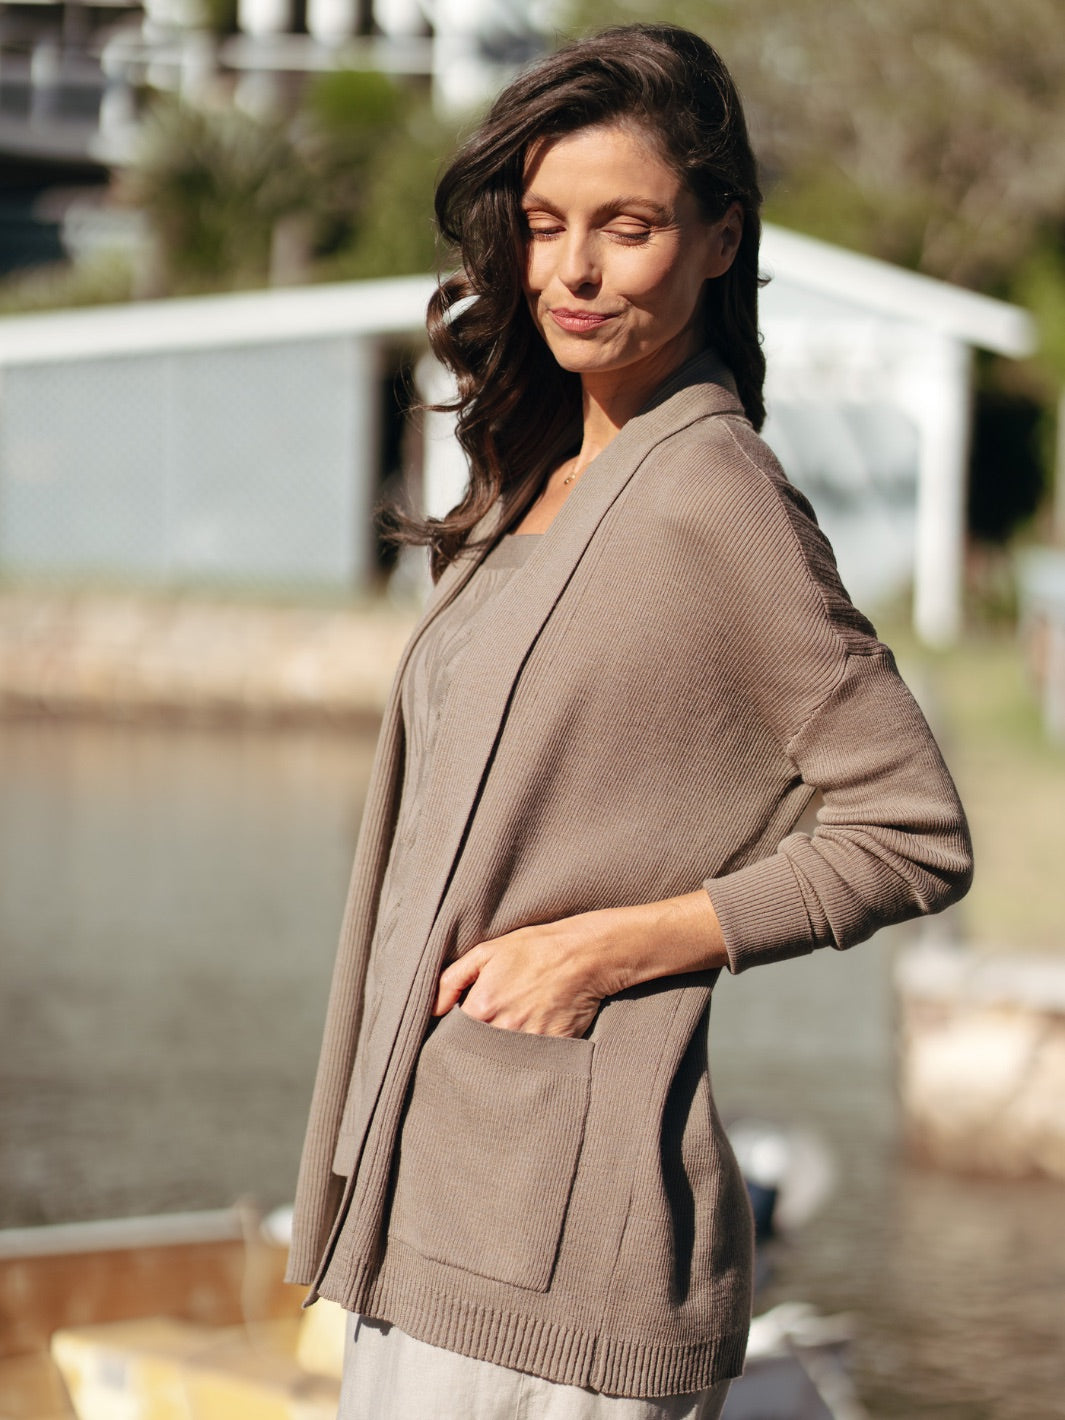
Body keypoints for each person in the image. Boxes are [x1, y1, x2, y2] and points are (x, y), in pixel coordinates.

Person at [286, 23, 973, 1420]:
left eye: (627, 226)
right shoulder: (531, 471)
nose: (575, 271)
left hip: (560, 1246)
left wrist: (607, 949)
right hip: (429, 1195)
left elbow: (912, 829)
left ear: (718, 239)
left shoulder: (713, 492)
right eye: (543, 226)